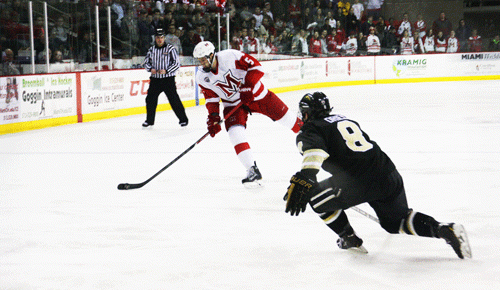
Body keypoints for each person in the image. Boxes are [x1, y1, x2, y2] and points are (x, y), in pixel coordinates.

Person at [283, 91, 472, 259]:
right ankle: (443, 229)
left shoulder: (311, 128)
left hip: (357, 181)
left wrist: (307, 177)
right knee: (396, 222)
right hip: (388, 173)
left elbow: (315, 152)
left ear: (307, 113)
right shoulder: (344, 119)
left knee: (314, 199)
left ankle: (349, 238)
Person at [193, 41, 302, 188]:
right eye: (199, 61)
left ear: (212, 55)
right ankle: (252, 170)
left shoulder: (230, 56)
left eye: (204, 59)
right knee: (235, 134)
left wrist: (248, 87)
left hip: (257, 95)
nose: (202, 63)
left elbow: (256, 67)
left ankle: (313, 136)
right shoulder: (202, 77)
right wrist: (213, 117)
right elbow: (211, 98)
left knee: (291, 122)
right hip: (233, 105)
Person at [142, 28, 188, 128]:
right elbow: (146, 62)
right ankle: (149, 121)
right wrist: (151, 69)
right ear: (155, 38)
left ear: (164, 38)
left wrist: (167, 70)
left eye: (162, 37)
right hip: (155, 79)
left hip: (168, 79)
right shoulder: (151, 49)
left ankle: (183, 119)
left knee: (174, 99)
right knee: (150, 99)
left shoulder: (170, 49)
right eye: (158, 37)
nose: (160, 40)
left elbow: (176, 64)